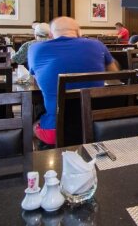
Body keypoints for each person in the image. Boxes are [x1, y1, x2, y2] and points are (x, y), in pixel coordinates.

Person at [28, 17, 119, 147]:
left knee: (32, 126)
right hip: (97, 126)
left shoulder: (35, 49)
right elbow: (115, 76)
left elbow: (37, 80)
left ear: (51, 35)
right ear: (79, 33)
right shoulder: (97, 45)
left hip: (57, 130)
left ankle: (43, 155)